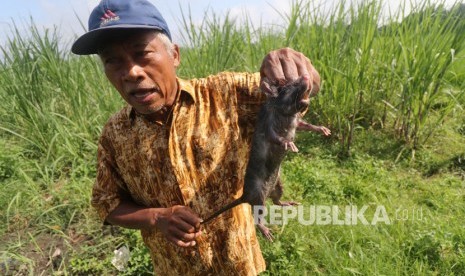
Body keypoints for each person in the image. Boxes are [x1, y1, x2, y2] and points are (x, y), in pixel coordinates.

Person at [72, 0, 323, 275]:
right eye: (113, 61)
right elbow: (107, 204)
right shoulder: (114, 135)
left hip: (238, 264)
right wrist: (157, 218)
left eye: (142, 53)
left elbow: (297, 90)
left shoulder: (225, 94)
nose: (131, 71)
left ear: (175, 55)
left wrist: (294, 67)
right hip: (173, 268)